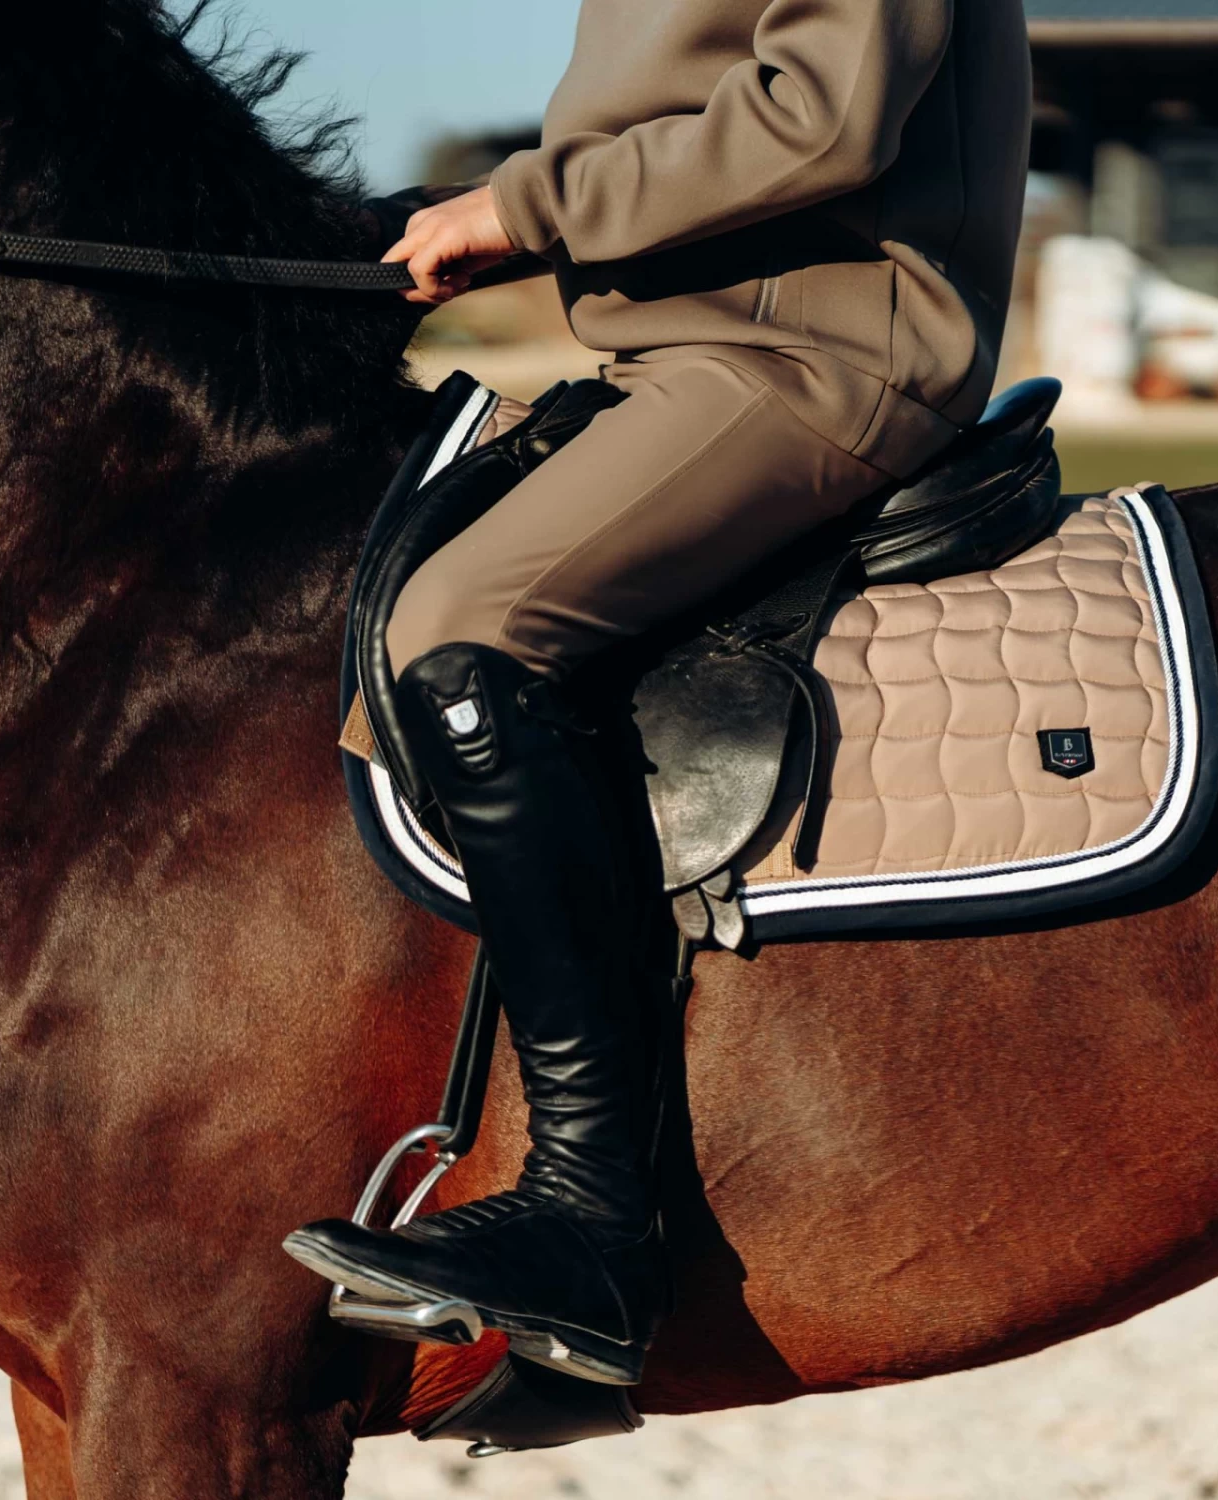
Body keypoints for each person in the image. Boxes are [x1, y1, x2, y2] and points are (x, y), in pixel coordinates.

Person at [283, 0, 1032, 1386]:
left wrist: (527, 206)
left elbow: (824, 116)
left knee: (465, 634)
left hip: (816, 353)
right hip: (686, 348)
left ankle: (591, 1219)